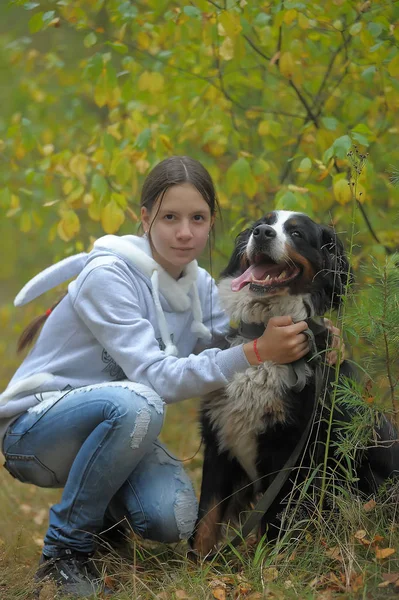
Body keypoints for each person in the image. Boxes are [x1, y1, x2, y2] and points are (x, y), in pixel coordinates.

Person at [0, 156, 342, 597]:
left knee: (173, 517)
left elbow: (233, 336)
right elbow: (159, 377)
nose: (185, 232)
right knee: (140, 401)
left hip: (116, 431)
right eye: (169, 218)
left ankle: (103, 514)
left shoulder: (200, 287)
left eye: (197, 218)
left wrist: (315, 332)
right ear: (145, 219)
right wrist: (256, 351)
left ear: (211, 222)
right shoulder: (108, 276)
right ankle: (65, 550)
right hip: (37, 431)